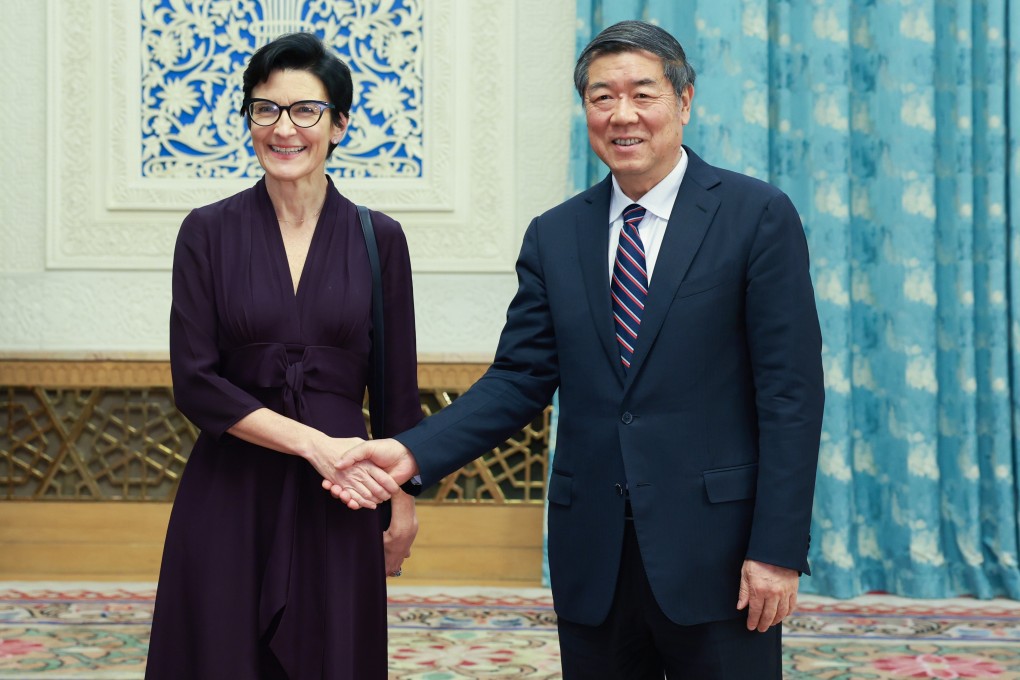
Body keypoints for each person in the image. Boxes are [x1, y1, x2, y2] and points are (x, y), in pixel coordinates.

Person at [330, 19, 825, 680]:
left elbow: (791, 395)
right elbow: (519, 380)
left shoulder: (756, 216)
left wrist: (777, 549)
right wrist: (410, 451)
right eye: (601, 97)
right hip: (593, 551)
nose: (622, 115)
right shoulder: (555, 235)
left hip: (718, 553)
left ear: (684, 101)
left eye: (642, 94)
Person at [145, 33, 423, 679]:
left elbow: (395, 388)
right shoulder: (206, 231)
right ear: (249, 121)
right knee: (220, 656)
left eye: (306, 111)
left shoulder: (380, 237)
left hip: (344, 495)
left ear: (339, 124)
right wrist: (311, 443)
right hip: (231, 491)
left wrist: (403, 500)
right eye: (265, 110)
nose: (284, 128)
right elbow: (196, 383)